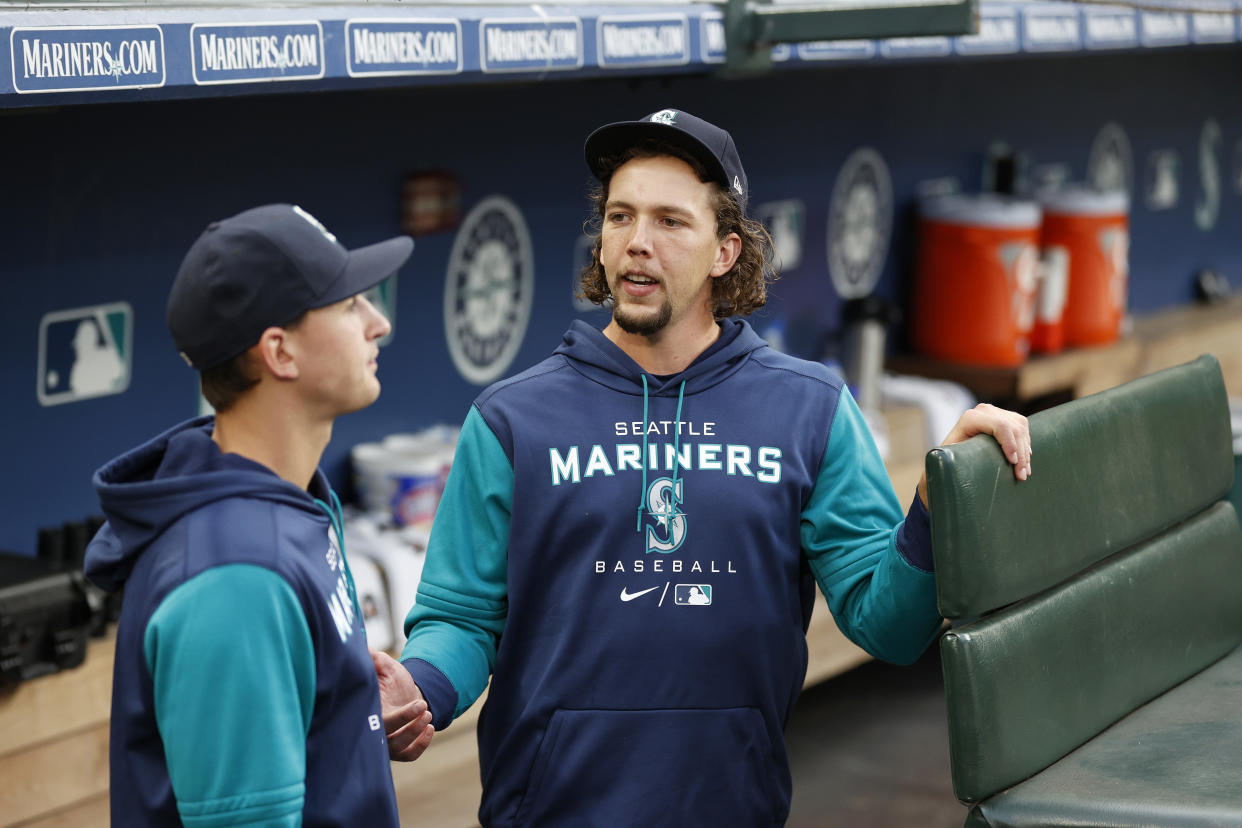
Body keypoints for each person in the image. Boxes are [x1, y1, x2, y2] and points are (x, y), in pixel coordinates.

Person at [373, 109, 1032, 826]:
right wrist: (423, 685)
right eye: (620, 217)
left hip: (730, 806)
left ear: (725, 251)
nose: (637, 244)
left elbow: (890, 626)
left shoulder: (807, 410)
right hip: (550, 810)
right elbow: (464, 617)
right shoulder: (513, 419)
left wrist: (934, 506)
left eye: (669, 222)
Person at [83, 203, 433, 827]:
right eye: (349, 304)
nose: (377, 322)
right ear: (280, 353)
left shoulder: (284, 505)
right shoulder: (236, 574)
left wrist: (350, 718)